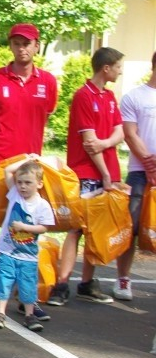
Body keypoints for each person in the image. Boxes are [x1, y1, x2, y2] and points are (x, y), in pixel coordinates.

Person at [0, 24, 57, 317]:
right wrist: (0, 154)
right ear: (11, 46)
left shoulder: (49, 82)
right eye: (17, 43)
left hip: (30, 172)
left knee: (27, 235)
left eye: (27, 43)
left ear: (36, 46)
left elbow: (45, 116)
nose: (22, 48)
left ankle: (25, 297)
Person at [49, 47, 127, 306]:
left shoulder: (109, 97)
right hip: (87, 173)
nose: (120, 71)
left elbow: (118, 133)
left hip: (108, 172)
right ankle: (61, 284)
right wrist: (104, 172)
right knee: (77, 228)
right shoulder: (83, 96)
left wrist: (104, 145)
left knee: (96, 229)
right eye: (117, 66)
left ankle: (86, 283)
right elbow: (87, 142)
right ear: (106, 68)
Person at [0, 157, 55, 331]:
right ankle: (0, 313)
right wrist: (28, 159)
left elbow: (44, 227)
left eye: (28, 182)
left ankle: (29, 314)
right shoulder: (15, 195)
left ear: (39, 184)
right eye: (19, 182)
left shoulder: (42, 205)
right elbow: (8, 170)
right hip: (8, 250)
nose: (22, 186)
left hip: (28, 254)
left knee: (27, 285)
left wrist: (25, 227)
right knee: (4, 281)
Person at [117, 50, 156, 301]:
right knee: (130, 227)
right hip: (140, 173)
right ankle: (123, 279)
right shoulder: (134, 96)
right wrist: (151, 166)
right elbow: (130, 134)